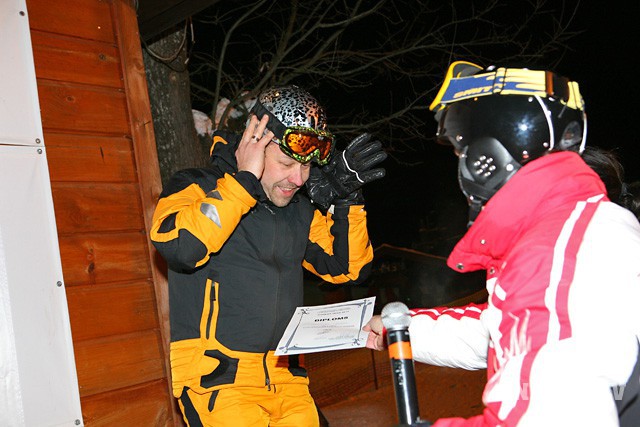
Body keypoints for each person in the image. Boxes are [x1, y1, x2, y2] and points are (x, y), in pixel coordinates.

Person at [364, 61, 640, 426]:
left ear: (488, 159)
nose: (461, 166)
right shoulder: (577, 226)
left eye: (463, 152)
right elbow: (507, 332)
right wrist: (401, 329)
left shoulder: (553, 255)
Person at [150, 85, 386, 426]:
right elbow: (180, 247)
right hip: (219, 381)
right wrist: (244, 180)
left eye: (306, 167)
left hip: (287, 378)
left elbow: (348, 269)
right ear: (254, 142)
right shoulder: (196, 186)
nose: (298, 179)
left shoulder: (296, 210)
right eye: (286, 163)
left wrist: (346, 201)